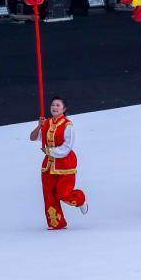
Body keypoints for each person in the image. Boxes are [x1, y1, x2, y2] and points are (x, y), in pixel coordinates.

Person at [29, 97, 88, 229]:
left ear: (64, 109)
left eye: (58, 105)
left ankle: (80, 199)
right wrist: (39, 125)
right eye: (52, 105)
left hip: (65, 164)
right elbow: (33, 137)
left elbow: (67, 147)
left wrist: (50, 151)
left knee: (63, 193)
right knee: (49, 195)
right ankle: (56, 223)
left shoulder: (68, 125)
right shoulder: (46, 123)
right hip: (48, 165)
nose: (54, 107)